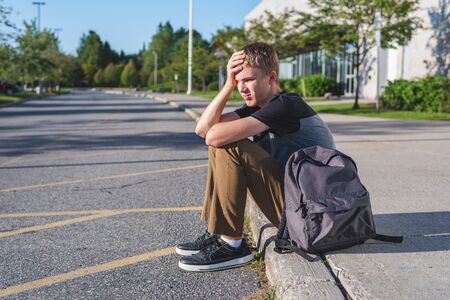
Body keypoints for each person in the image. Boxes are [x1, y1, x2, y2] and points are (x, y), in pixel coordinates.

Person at [176, 42, 335, 272]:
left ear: (271, 78)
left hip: (312, 215)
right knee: (221, 141)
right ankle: (218, 232)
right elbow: (202, 129)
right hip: (298, 206)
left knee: (229, 145)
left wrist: (218, 128)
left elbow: (213, 136)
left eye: (248, 79)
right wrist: (228, 85)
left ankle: (233, 244)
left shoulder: (285, 106)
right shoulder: (258, 107)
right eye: (238, 82)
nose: (243, 88)